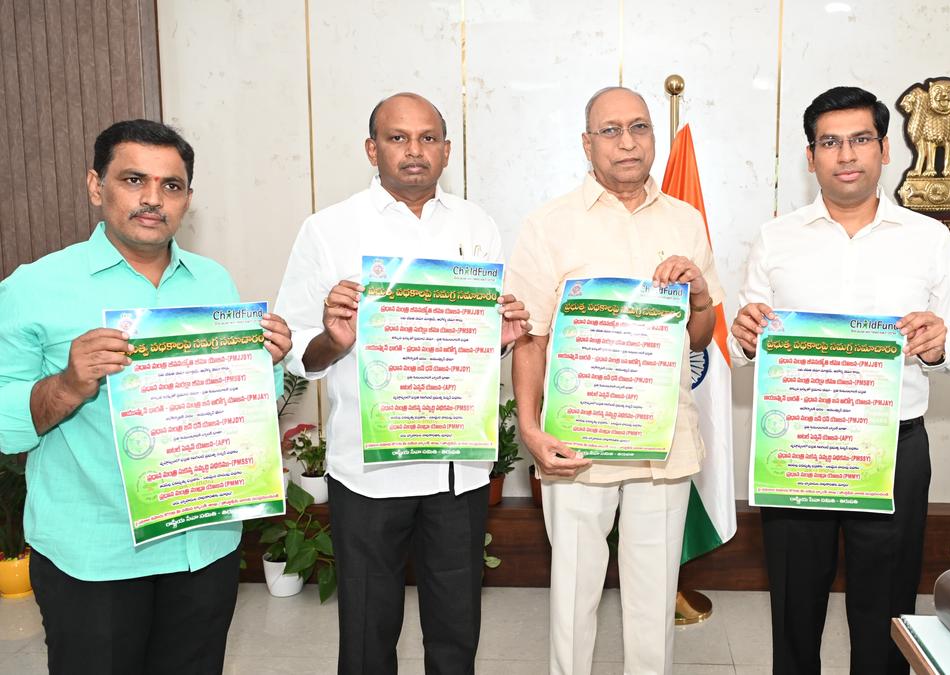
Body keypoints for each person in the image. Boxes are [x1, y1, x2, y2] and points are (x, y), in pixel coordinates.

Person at [0, 119, 293, 675]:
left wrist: (268, 364)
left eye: (171, 185)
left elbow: (239, 409)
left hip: (204, 547)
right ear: (96, 186)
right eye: (134, 179)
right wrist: (66, 385)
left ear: (187, 199)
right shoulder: (33, 287)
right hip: (95, 557)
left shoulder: (213, 283)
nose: (153, 198)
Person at [273, 92, 530, 675]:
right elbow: (298, 352)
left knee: (456, 629)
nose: (414, 150)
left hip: (457, 469)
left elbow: (477, 344)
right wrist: (335, 339)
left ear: (446, 150)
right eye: (398, 138)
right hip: (367, 470)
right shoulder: (328, 229)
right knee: (367, 632)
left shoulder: (476, 225)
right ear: (372, 149)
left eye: (427, 138)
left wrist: (500, 338)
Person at [729, 86, 950, 675]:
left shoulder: (927, 237)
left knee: (885, 606)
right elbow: (744, 341)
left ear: (885, 150)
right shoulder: (776, 237)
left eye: (861, 139)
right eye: (830, 142)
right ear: (810, 156)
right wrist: (744, 335)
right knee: (794, 602)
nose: (846, 155)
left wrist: (940, 344)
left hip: (893, 445)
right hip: (798, 445)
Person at [506, 85, 723, 675]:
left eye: (639, 127)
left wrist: (699, 296)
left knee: (654, 598)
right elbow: (530, 337)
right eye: (611, 130)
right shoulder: (548, 225)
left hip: (662, 441)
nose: (627, 142)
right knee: (574, 592)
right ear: (587, 143)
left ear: (653, 135)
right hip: (576, 442)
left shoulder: (686, 220)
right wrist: (530, 427)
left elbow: (701, 336)